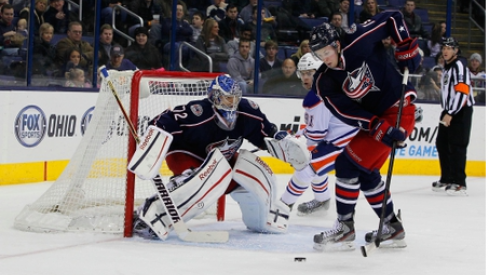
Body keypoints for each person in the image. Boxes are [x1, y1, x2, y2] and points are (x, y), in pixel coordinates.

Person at [308, 11, 421, 250]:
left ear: (336, 44)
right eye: (319, 55)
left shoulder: (357, 40)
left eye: (327, 51)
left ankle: (345, 228)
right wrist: (374, 125)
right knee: (367, 173)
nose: (325, 58)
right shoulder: (325, 81)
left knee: (348, 164)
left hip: (398, 111)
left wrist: (405, 44)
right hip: (379, 120)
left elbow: (393, 18)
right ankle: (392, 226)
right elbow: (345, 111)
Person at [131, 75, 292, 240]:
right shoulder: (199, 112)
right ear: (215, 96)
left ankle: (265, 217)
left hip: (221, 161)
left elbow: (265, 133)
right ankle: (148, 215)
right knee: (198, 184)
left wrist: (278, 139)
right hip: (187, 155)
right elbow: (164, 121)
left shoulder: (247, 111)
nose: (233, 102)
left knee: (257, 172)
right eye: (228, 98)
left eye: (235, 98)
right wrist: (154, 137)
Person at [279, 53, 358, 216]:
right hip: (347, 136)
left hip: (348, 143)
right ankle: (322, 201)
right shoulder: (329, 84)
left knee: (306, 168)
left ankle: (281, 208)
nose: (305, 78)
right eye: (302, 73)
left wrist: (293, 141)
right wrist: (296, 137)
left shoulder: (318, 96)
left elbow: (316, 136)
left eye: (310, 73)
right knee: (311, 159)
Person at [432, 37, 474, 195]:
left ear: (456, 51)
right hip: (449, 110)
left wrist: (451, 112)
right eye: (444, 48)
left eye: (449, 48)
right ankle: (447, 177)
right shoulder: (448, 67)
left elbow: (463, 91)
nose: (445, 51)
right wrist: (447, 111)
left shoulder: (459, 66)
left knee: (457, 146)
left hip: (460, 111)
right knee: (442, 143)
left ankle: (459, 182)